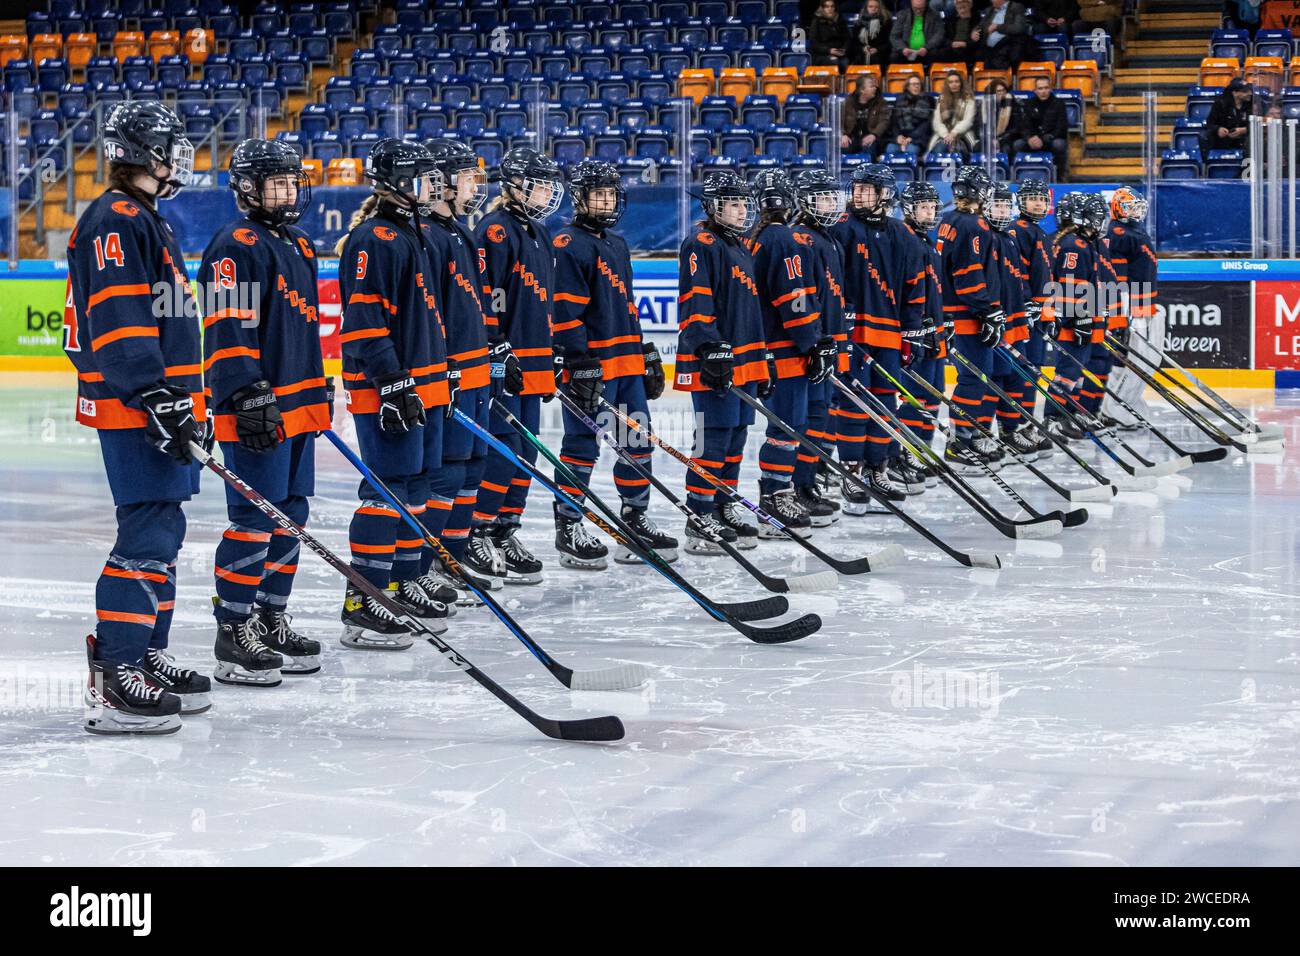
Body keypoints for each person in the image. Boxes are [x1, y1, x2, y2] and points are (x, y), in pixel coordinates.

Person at [66, 101, 207, 734]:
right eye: (169, 145)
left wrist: (181, 397)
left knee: (164, 531)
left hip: (155, 404)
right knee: (148, 532)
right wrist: (155, 393)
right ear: (137, 152)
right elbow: (121, 320)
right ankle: (116, 669)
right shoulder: (117, 217)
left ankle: (145, 651)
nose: (179, 155)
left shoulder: (146, 218)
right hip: (135, 409)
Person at [201, 138, 328, 685]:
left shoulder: (298, 243)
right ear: (248, 188)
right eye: (278, 182)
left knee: (292, 514)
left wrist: (320, 391)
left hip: (298, 406)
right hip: (258, 406)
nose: (289, 191)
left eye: (292, 181)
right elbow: (225, 325)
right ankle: (233, 629)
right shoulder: (235, 244)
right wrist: (247, 393)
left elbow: (303, 331)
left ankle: (270, 615)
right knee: (254, 519)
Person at [335, 138, 451, 650]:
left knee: (417, 486)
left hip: (420, 384)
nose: (432, 186)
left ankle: (400, 583)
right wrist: (392, 380)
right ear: (398, 183)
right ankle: (364, 601)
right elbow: (362, 322)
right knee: (387, 490)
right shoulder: (375, 238)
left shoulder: (415, 232)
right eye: (422, 177)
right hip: (387, 388)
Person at [550, 159, 679, 566]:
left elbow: (625, 305)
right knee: (581, 445)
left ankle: (634, 517)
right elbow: (564, 314)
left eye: (610, 194)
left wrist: (643, 351)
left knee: (637, 444)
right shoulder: (567, 244)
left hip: (627, 365)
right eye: (597, 195)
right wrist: (579, 361)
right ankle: (569, 524)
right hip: (591, 368)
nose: (606, 202)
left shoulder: (618, 244)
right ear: (579, 198)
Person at [472, 147, 565, 581]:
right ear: (514, 185)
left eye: (549, 184)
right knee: (502, 450)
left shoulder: (540, 233)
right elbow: (486, 298)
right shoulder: (493, 231)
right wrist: (496, 347)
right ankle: (479, 529)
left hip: (534, 362)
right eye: (538, 183)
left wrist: (554, 350)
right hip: (504, 364)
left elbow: (543, 302)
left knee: (526, 453)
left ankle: (507, 528)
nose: (546, 193)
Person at [419, 138, 499, 598]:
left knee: (471, 468)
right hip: (448, 376)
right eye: (468, 176)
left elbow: (474, 306)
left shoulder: (462, 233)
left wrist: (494, 346)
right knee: (446, 472)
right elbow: (431, 313)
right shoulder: (428, 234)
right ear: (445, 184)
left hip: (475, 373)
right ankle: (426, 561)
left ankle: (453, 555)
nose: (475, 185)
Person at [674, 170, 769, 553]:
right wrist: (708, 348)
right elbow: (696, 302)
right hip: (715, 358)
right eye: (733, 203)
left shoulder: (739, 244)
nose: (741, 210)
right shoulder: (701, 243)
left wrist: (764, 358)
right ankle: (699, 515)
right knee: (712, 438)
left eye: (743, 203)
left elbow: (751, 309)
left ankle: (723, 502)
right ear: (713, 206)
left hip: (745, 359)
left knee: (736, 436)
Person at [749, 169, 837, 536]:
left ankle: (788, 491)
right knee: (787, 425)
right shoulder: (782, 239)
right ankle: (774, 497)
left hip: (773, 348)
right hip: (785, 349)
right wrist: (812, 342)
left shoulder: (758, 238)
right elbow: (794, 299)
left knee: (791, 424)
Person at [832, 163, 919, 507]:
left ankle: (877, 467)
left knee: (885, 404)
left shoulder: (900, 233)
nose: (858, 194)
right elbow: (830, 280)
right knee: (855, 404)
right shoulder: (842, 229)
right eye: (856, 188)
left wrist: (912, 330)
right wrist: (841, 320)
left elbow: (914, 284)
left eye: (867, 188)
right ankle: (851, 470)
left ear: (885, 194)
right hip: (855, 335)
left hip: (889, 334)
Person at [936, 165, 1006, 472]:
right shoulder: (974, 225)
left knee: (976, 376)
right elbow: (968, 274)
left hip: (953, 310)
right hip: (968, 314)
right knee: (975, 377)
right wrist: (986, 308)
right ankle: (959, 441)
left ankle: (970, 433)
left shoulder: (948, 219)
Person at [790, 168, 849, 524]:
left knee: (821, 413)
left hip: (830, 340)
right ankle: (796, 485)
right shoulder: (800, 239)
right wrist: (813, 341)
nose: (828, 203)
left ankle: (809, 480)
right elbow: (801, 297)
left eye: (831, 196)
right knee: (807, 414)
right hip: (811, 344)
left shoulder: (828, 238)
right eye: (821, 197)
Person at [894, 179, 945, 485]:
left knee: (932, 395)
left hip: (933, 331)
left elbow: (936, 289)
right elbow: (906, 287)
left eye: (931, 207)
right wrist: (913, 325)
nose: (929, 213)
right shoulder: (905, 239)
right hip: (915, 333)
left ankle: (923, 449)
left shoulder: (929, 242)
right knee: (914, 396)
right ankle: (907, 450)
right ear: (909, 209)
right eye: (923, 207)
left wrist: (943, 320)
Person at [982, 183, 1037, 464]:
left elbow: (1018, 277)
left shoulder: (1009, 237)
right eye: (997, 206)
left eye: (1006, 206)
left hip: (1015, 318)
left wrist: (1028, 303)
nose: (1002, 211)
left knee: (1017, 374)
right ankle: (985, 432)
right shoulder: (986, 236)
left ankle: (1009, 430)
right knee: (997, 376)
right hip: (997, 320)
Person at [1043, 192, 1101, 440]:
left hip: (1077, 320)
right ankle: (1050, 420)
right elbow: (1068, 286)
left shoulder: (1080, 243)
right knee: (1065, 373)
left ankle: (1066, 417)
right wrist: (1081, 318)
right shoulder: (1073, 245)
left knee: (1074, 373)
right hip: (1071, 322)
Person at [1101, 187, 1160, 430]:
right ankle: (1114, 408)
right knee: (1129, 358)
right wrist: (1122, 312)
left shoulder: (1130, 231)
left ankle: (1128, 402)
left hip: (1139, 303)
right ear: (1117, 208)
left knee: (1143, 358)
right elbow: (1115, 278)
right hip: (1129, 303)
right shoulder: (1118, 233)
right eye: (1129, 206)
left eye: (1137, 206)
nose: (1135, 211)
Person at [1005, 177, 1056, 454]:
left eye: (1042, 199)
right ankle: (1014, 427)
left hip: (1040, 315)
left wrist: (1049, 311)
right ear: (1021, 202)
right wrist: (1027, 304)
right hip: (1025, 316)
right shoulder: (1017, 231)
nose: (1038, 203)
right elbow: (1016, 274)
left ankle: (1025, 423)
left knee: (1033, 370)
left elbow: (1046, 277)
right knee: (1022, 371)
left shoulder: (1039, 232)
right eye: (1033, 198)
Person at [1015, 76, 1070, 177]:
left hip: (1050, 139)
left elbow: (1062, 127)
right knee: (1017, 144)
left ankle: (1060, 176)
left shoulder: (1058, 104)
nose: (1043, 91)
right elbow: (1023, 125)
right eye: (1040, 88)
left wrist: (1046, 138)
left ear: (1050, 89)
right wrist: (1029, 138)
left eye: (1046, 88)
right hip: (1032, 140)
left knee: (1059, 144)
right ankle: (1019, 176)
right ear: (1035, 90)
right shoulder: (1028, 104)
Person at [928, 70, 977, 157]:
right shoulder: (942, 99)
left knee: (961, 152)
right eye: (950, 82)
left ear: (961, 83)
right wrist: (946, 134)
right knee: (939, 149)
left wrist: (954, 133)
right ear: (947, 85)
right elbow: (937, 122)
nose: (954, 84)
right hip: (944, 135)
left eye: (956, 81)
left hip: (963, 134)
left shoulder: (969, 100)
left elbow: (968, 121)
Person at [841, 73, 891, 158]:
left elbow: (884, 121)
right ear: (862, 90)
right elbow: (838, 120)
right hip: (852, 137)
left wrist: (874, 135)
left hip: (872, 137)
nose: (875, 88)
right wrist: (842, 135)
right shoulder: (847, 102)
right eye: (871, 86)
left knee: (869, 150)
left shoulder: (881, 102)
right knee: (844, 148)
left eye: (875, 86)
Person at [972, 0, 1031, 70]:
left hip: (1007, 45)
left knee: (998, 61)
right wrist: (974, 32)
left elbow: (1018, 28)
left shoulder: (1016, 7)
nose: (991, 1)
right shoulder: (989, 10)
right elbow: (980, 26)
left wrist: (997, 27)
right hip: (988, 49)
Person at [889, 73, 934, 157]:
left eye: (918, 84)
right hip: (900, 137)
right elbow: (894, 122)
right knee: (890, 149)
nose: (916, 86)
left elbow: (927, 124)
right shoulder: (899, 100)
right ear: (907, 86)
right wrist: (898, 136)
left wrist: (911, 138)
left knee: (911, 150)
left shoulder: (928, 100)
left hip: (919, 138)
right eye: (913, 84)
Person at [890, 0, 943, 70]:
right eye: (915, 8)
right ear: (911, 5)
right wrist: (903, 48)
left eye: (921, 8)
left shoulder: (934, 15)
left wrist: (926, 48)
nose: (918, 11)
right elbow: (894, 36)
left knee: (936, 54)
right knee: (894, 56)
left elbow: (939, 34)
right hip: (906, 51)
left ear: (926, 5)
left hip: (926, 51)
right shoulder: (902, 15)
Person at [1205, 78, 1253, 153]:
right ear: (1234, 93)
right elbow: (1210, 123)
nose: (1250, 93)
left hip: (1245, 141)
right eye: (1245, 91)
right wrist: (1218, 129)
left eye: (1250, 90)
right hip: (1224, 141)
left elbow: (1258, 123)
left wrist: (1245, 130)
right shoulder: (1220, 104)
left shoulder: (1252, 104)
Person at [985, 78, 1025, 159]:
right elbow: (981, 125)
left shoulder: (1013, 104)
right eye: (998, 91)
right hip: (990, 137)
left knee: (1006, 148)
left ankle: (1005, 170)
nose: (1001, 93)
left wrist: (1000, 139)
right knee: (978, 147)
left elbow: (1016, 127)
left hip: (1008, 137)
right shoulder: (986, 106)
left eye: (1003, 90)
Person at [809, 0, 851, 69]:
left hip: (839, 53)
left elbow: (847, 38)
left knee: (845, 62)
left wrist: (844, 49)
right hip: (822, 54)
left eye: (832, 6)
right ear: (822, 8)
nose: (830, 9)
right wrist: (829, 50)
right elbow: (814, 43)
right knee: (834, 61)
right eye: (827, 6)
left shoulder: (840, 20)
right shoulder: (816, 21)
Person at [939, 0, 980, 66]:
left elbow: (978, 39)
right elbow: (943, 37)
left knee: (961, 52)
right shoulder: (950, 20)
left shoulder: (977, 20)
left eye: (964, 2)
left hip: (968, 48)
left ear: (970, 5)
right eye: (958, 3)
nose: (961, 4)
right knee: (940, 53)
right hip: (952, 46)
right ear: (955, 6)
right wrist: (951, 43)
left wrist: (965, 44)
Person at [853, 0, 892, 66]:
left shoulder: (886, 22)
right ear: (866, 8)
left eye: (876, 7)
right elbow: (854, 42)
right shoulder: (859, 23)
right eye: (870, 6)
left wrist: (877, 49)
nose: (873, 9)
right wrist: (863, 48)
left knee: (876, 59)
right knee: (858, 59)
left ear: (880, 8)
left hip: (881, 52)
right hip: (862, 52)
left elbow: (889, 42)